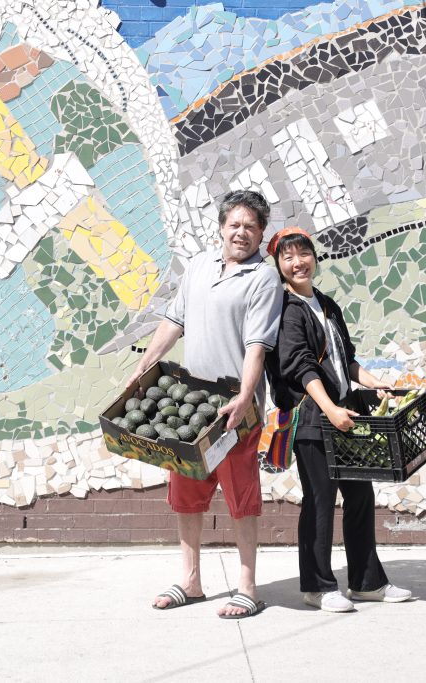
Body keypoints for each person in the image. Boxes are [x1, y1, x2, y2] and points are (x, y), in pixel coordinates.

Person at [127, 189, 282, 619]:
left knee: (242, 496)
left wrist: (245, 396)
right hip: (192, 405)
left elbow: (257, 346)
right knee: (187, 494)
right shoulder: (198, 267)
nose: (241, 232)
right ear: (221, 227)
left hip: (235, 410)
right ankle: (191, 582)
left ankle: (247, 588)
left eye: (251, 226)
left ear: (261, 233)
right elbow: (173, 321)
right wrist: (145, 365)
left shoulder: (263, 279)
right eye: (234, 224)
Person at [265, 226, 412, 612]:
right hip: (314, 418)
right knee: (320, 500)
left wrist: (376, 383)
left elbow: (345, 360)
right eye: (288, 257)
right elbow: (298, 367)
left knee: (361, 496)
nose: (297, 262)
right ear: (279, 266)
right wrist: (329, 407)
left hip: (346, 413)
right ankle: (317, 585)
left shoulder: (327, 305)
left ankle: (366, 582)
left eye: (303, 254)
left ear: (315, 257)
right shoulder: (286, 310)